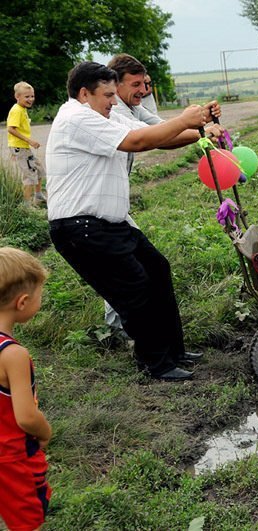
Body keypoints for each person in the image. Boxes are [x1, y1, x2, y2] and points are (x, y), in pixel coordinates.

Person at [46, 61, 216, 381]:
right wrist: (184, 119)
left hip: (111, 222)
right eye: (108, 94)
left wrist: (199, 126)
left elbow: (153, 137)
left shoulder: (101, 115)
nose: (113, 101)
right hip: (81, 226)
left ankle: (173, 352)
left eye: (114, 94)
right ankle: (156, 363)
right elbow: (137, 142)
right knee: (135, 287)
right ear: (84, 93)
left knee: (157, 270)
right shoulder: (77, 117)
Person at [100, 54, 222, 332]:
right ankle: (120, 328)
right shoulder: (114, 112)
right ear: (115, 84)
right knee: (126, 267)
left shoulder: (132, 107)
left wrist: (203, 121)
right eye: (136, 84)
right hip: (99, 205)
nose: (144, 90)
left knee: (137, 265)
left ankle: (124, 326)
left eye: (145, 83)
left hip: (116, 202)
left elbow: (163, 130)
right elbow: (148, 138)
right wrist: (197, 128)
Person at [0, 247, 52, 531]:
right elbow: (26, 417)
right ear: (22, 302)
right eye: (39, 295)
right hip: (11, 457)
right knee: (27, 520)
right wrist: (45, 433)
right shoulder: (12, 355)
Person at [6, 82, 47, 207]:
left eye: (32, 96)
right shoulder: (16, 110)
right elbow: (11, 129)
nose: (31, 99)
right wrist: (29, 141)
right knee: (29, 174)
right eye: (27, 97)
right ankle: (27, 205)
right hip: (19, 148)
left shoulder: (22, 109)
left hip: (24, 147)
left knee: (39, 169)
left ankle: (39, 195)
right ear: (17, 97)